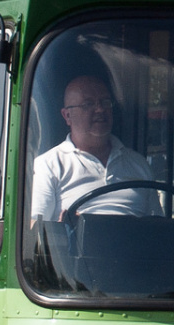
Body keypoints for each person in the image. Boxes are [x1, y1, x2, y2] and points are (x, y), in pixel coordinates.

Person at [28, 75, 160, 223]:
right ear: (67, 115)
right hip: (75, 246)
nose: (100, 109)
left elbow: (157, 228)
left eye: (105, 102)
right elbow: (34, 229)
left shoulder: (138, 164)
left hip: (134, 245)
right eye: (88, 104)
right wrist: (61, 229)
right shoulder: (48, 165)